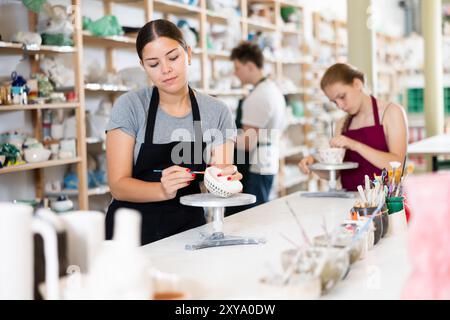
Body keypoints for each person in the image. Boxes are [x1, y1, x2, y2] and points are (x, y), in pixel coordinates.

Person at [105, 19, 241, 245]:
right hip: (130, 235)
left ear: (188, 54)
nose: (166, 70)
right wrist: (161, 189)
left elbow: (216, 179)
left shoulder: (216, 112)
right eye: (153, 64)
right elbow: (118, 185)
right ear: (143, 66)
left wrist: (224, 182)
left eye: (173, 57)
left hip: (187, 231)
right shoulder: (130, 107)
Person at [298, 63, 408, 191]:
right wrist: (314, 166)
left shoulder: (391, 112)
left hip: (383, 204)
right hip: (349, 204)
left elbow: (398, 166)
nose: (340, 105)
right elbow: (336, 173)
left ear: (357, 84)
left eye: (342, 96)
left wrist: (354, 145)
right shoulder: (341, 124)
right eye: (334, 101)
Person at [227, 41, 286, 215]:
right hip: (266, 161)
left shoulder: (258, 96)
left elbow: (247, 142)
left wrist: (218, 139)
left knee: (248, 216)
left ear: (250, 66)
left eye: (238, 67)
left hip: (254, 166)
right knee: (259, 213)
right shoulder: (271, 89)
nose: (235, 73)